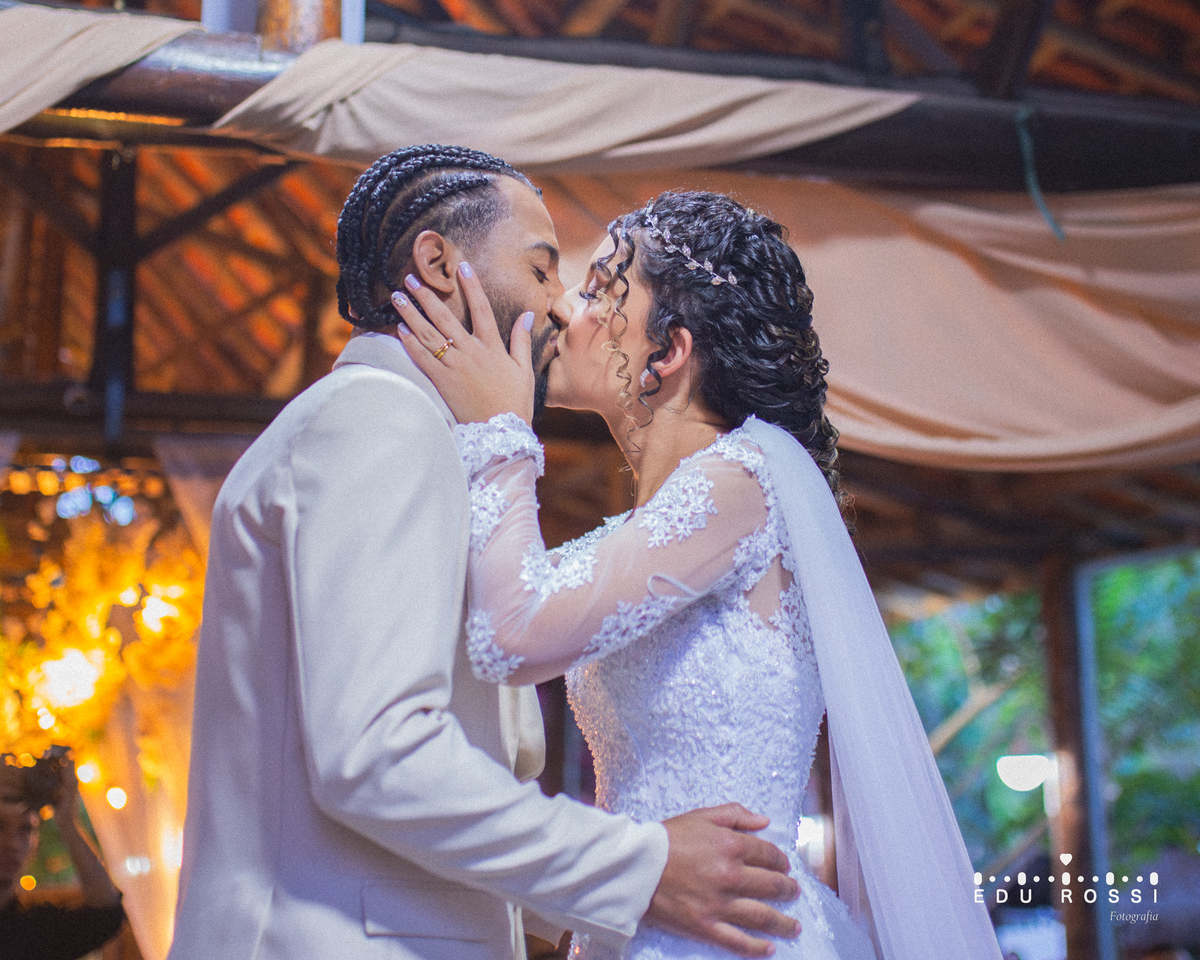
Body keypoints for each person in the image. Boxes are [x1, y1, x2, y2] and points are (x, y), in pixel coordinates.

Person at [169, 147, 801, 960]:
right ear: (439, 264)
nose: (562, 305)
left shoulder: (426, 439)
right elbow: (376, 753)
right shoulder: (377, 421)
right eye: (541, 269)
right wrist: (639, 868)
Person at [393, 189, 1007, 959]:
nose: (563, 311)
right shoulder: (646, 534)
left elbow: (511, 634)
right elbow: (500, 611)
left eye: (600, 293)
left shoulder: (739, 480)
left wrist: (501, 430)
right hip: (649, 919)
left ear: (668, 353)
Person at [0, 755, 126, 960]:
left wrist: (67, 822)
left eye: (25, 830)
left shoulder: (34, 933)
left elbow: (106, 913)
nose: (12, 843)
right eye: (0, 826)